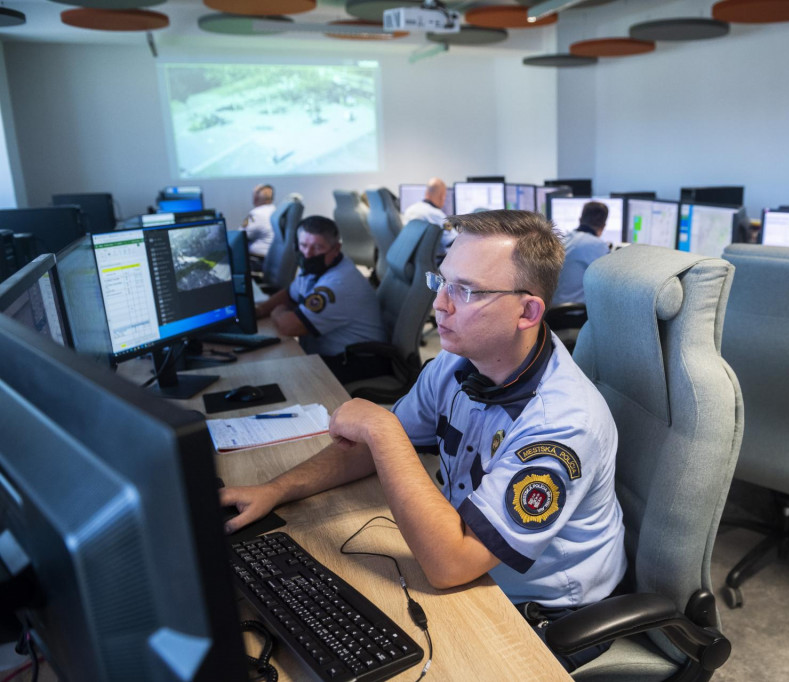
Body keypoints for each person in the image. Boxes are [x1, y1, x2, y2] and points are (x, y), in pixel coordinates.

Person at [224, 210, 627, 670]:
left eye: (467, 291)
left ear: (527, 312)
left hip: (545, 615)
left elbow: (450, 564)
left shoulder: (562, 424)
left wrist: (383, 428)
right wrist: (274, 489)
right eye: (442, 281)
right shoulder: (458, 364)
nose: (439, 305)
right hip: (471, 567)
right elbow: (368, 451)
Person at [255, 215, 388, 382]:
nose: (308, 254)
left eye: (317, 247)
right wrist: (260, 310)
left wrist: (277, 312)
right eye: (303, 245)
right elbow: (290, 294)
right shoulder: (319, 267)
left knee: (280, 375)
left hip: (357, 361)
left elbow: (291, 327)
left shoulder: (338, 284)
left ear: (336, 249)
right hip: (334, 354)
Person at [551, 201, 612, 306]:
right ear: (603, 226)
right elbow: (609, 282)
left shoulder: (563, 240)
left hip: (551, 310)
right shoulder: (599, 246)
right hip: (576, 312)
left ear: (580, 220)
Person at [402, 177, 456, 257]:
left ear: (426, 192)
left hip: (410, 259)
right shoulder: (438, 215)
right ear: (442, 196)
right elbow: (453, 241)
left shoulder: (410, 209)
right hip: (436, 260)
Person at [241, 183, 276, 268]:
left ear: (256, 198)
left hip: (258, 261)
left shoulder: (257, 213)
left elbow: (241, 236)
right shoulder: (275, 210)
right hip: (272, 260)